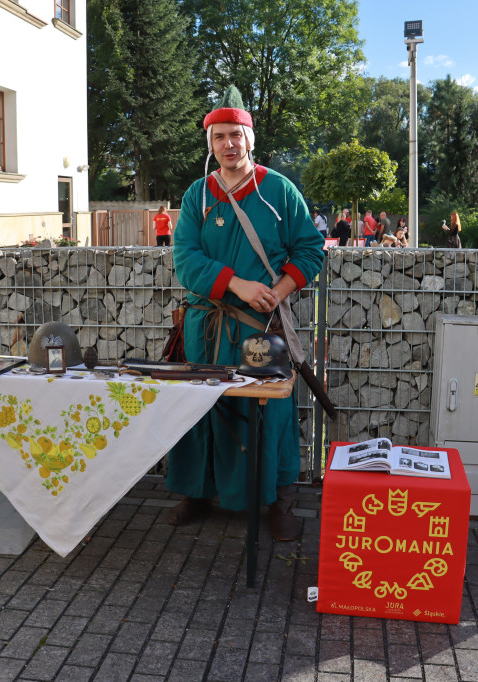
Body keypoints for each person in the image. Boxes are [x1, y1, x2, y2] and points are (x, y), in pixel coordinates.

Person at [167, 86, 325, 541]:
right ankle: (197, 491)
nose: (228, 144)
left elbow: (309, 250)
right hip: (206, 326)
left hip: (261, 328)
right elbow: (186, 258)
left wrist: (276, 292)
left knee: (268, 410)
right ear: (210, 144)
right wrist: (235, 283)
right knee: (199, 407)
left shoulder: (279, 189)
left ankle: (278, 499)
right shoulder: (198, 194)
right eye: (219, 137)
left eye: (236, 135)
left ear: (249, 139)